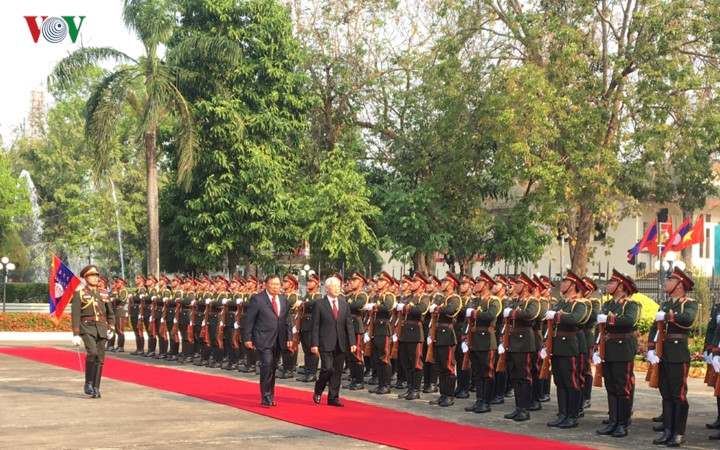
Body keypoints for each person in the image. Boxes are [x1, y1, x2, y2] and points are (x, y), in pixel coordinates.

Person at [648, 267, 698, 447]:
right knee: (666, 394)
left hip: (677, 353)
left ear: (679, 285)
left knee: (679, 395)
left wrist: (668, 316)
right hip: (663, 352)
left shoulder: (689, 303)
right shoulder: (665, 304)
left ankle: (678, 433)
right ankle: (668, 430)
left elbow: (687, 318)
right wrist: (651, 348)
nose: (666, 283)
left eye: (669, 280)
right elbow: (655, 328)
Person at [594, 269, 639, 438]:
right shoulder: (609, 304)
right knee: (611, 387)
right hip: (609, 348)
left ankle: (622, 423)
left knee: (623, 387)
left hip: (623, 348)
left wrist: (609, 320)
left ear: (621, 287)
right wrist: (596, 347)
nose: (608, 285)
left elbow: (629, 320)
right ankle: (612, 421)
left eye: (611, 283)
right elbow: (599, 328)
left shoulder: (631, 304)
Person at [544, 269, 588, 429]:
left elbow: (575, 318)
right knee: (560, 382)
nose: (561, 284)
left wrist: (556, 316)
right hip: (557, 344)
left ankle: (572, 415)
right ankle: (562, 413)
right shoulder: (561, 303)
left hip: (570, 345)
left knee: (571, 382)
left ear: (573, 285)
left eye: (564, 282)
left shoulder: (580, 303)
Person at [242, 274, 293, 407]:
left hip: (279, 338)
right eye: (272, 284)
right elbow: (249, 320)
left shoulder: (283, 300)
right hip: (263, 338)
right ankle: (265, 396)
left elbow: (288, 320)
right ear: (265, 285)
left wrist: (289, 337)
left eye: (277, 284)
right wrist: (248, 338)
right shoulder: (258, 300)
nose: (275, 287)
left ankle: (271, 394)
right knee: (267, 364)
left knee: (273, 367)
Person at [71, 265, 116, 398]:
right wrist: (75, 334)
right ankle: (88, 383)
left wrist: (112, 327)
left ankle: (96, 387)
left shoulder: (103, 293)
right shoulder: (79, 294)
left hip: (101, 328)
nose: (95, 278)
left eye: (96, 276)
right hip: (87, 327)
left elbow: (110, 313)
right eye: (92, 276)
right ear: (85, 278)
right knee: (92, 353)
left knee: (100, 358)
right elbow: (75, 315)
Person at [311, 277, 356, 407]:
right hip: (325, 342)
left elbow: (349, 325)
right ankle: (318, 389)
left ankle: (333, 398)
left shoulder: (344, 304)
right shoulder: (319, 304)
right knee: (327, 368)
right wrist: (314, 344)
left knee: (337, 371)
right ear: (327, 288)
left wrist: (352, 342)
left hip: (340, 342)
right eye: (334, 286)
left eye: (338, 286)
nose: (337, 289)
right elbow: (315, 326)